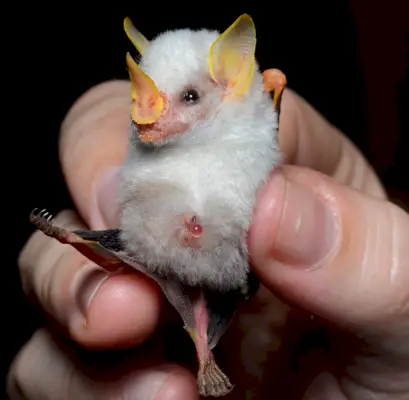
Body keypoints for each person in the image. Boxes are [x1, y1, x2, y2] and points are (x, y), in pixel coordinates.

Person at [7, 80, 409, 399]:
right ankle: (68, 237)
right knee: (132, 254)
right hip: (170, 247)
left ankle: (203, 360)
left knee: (194, 301)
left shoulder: (242, 202)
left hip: (220, 259)